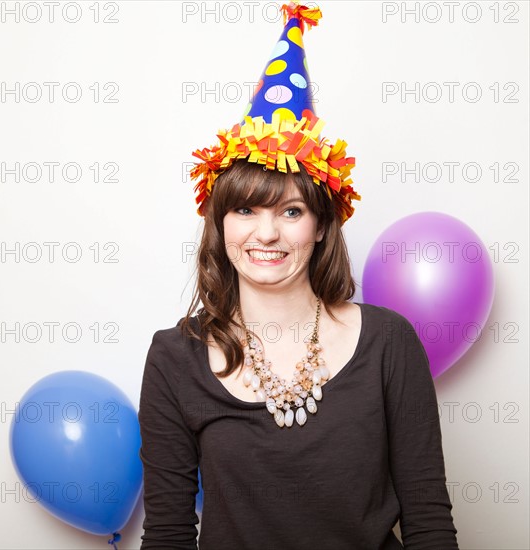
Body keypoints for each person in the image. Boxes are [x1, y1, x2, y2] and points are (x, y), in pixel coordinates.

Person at [138, 3, 459, 549]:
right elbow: (168, 534)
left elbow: (429, 523)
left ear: (320, 225)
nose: (266, 234)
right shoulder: (174, 357)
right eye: (245, 211)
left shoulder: (388, 342)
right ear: (220, 223)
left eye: (290, 212)